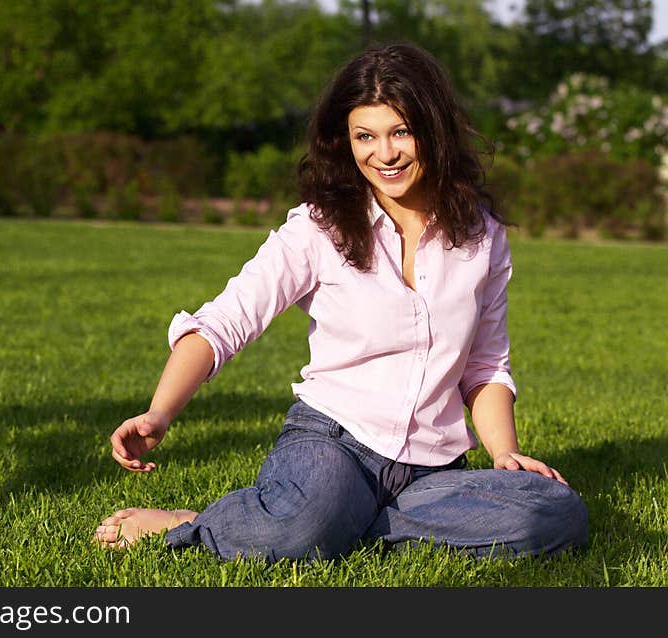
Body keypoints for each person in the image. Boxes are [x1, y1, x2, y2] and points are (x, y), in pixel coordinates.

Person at [93, 41, 589, 562]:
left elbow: (485, 365)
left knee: (555, 512)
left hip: (433, 470)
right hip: (334, 443)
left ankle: (338, 526)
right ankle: (200, 524)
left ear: (433, 130)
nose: (385, 154)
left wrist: (505, 453)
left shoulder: (480, 237)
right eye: (365, 136)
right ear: (345, 140)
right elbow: (224, 323)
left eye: (401, 132)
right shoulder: (318, 227)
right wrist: (159, 413)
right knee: (299, 529)